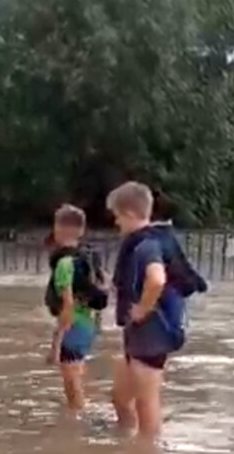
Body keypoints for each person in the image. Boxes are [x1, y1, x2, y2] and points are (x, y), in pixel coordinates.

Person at [106, 181, 208, 440]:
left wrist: (142, 308)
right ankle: (124, 444)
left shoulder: (146, 246)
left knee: (146, 402)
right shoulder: (145, 243)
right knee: (120, 398)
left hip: (153, 334)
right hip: (139, 336)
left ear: (129, 214)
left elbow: (157, 280)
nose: (116, 223)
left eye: (117, 216)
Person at [42, 204, 107, 411]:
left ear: (59, 229)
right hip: (88, 324)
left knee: (71, 381)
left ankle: (76, 421)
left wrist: (56, 344)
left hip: (73, 326)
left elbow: (67, 305)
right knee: (77, 371)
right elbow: (103, 289)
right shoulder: (87, 260)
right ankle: (80, 412)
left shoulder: (64, 264)